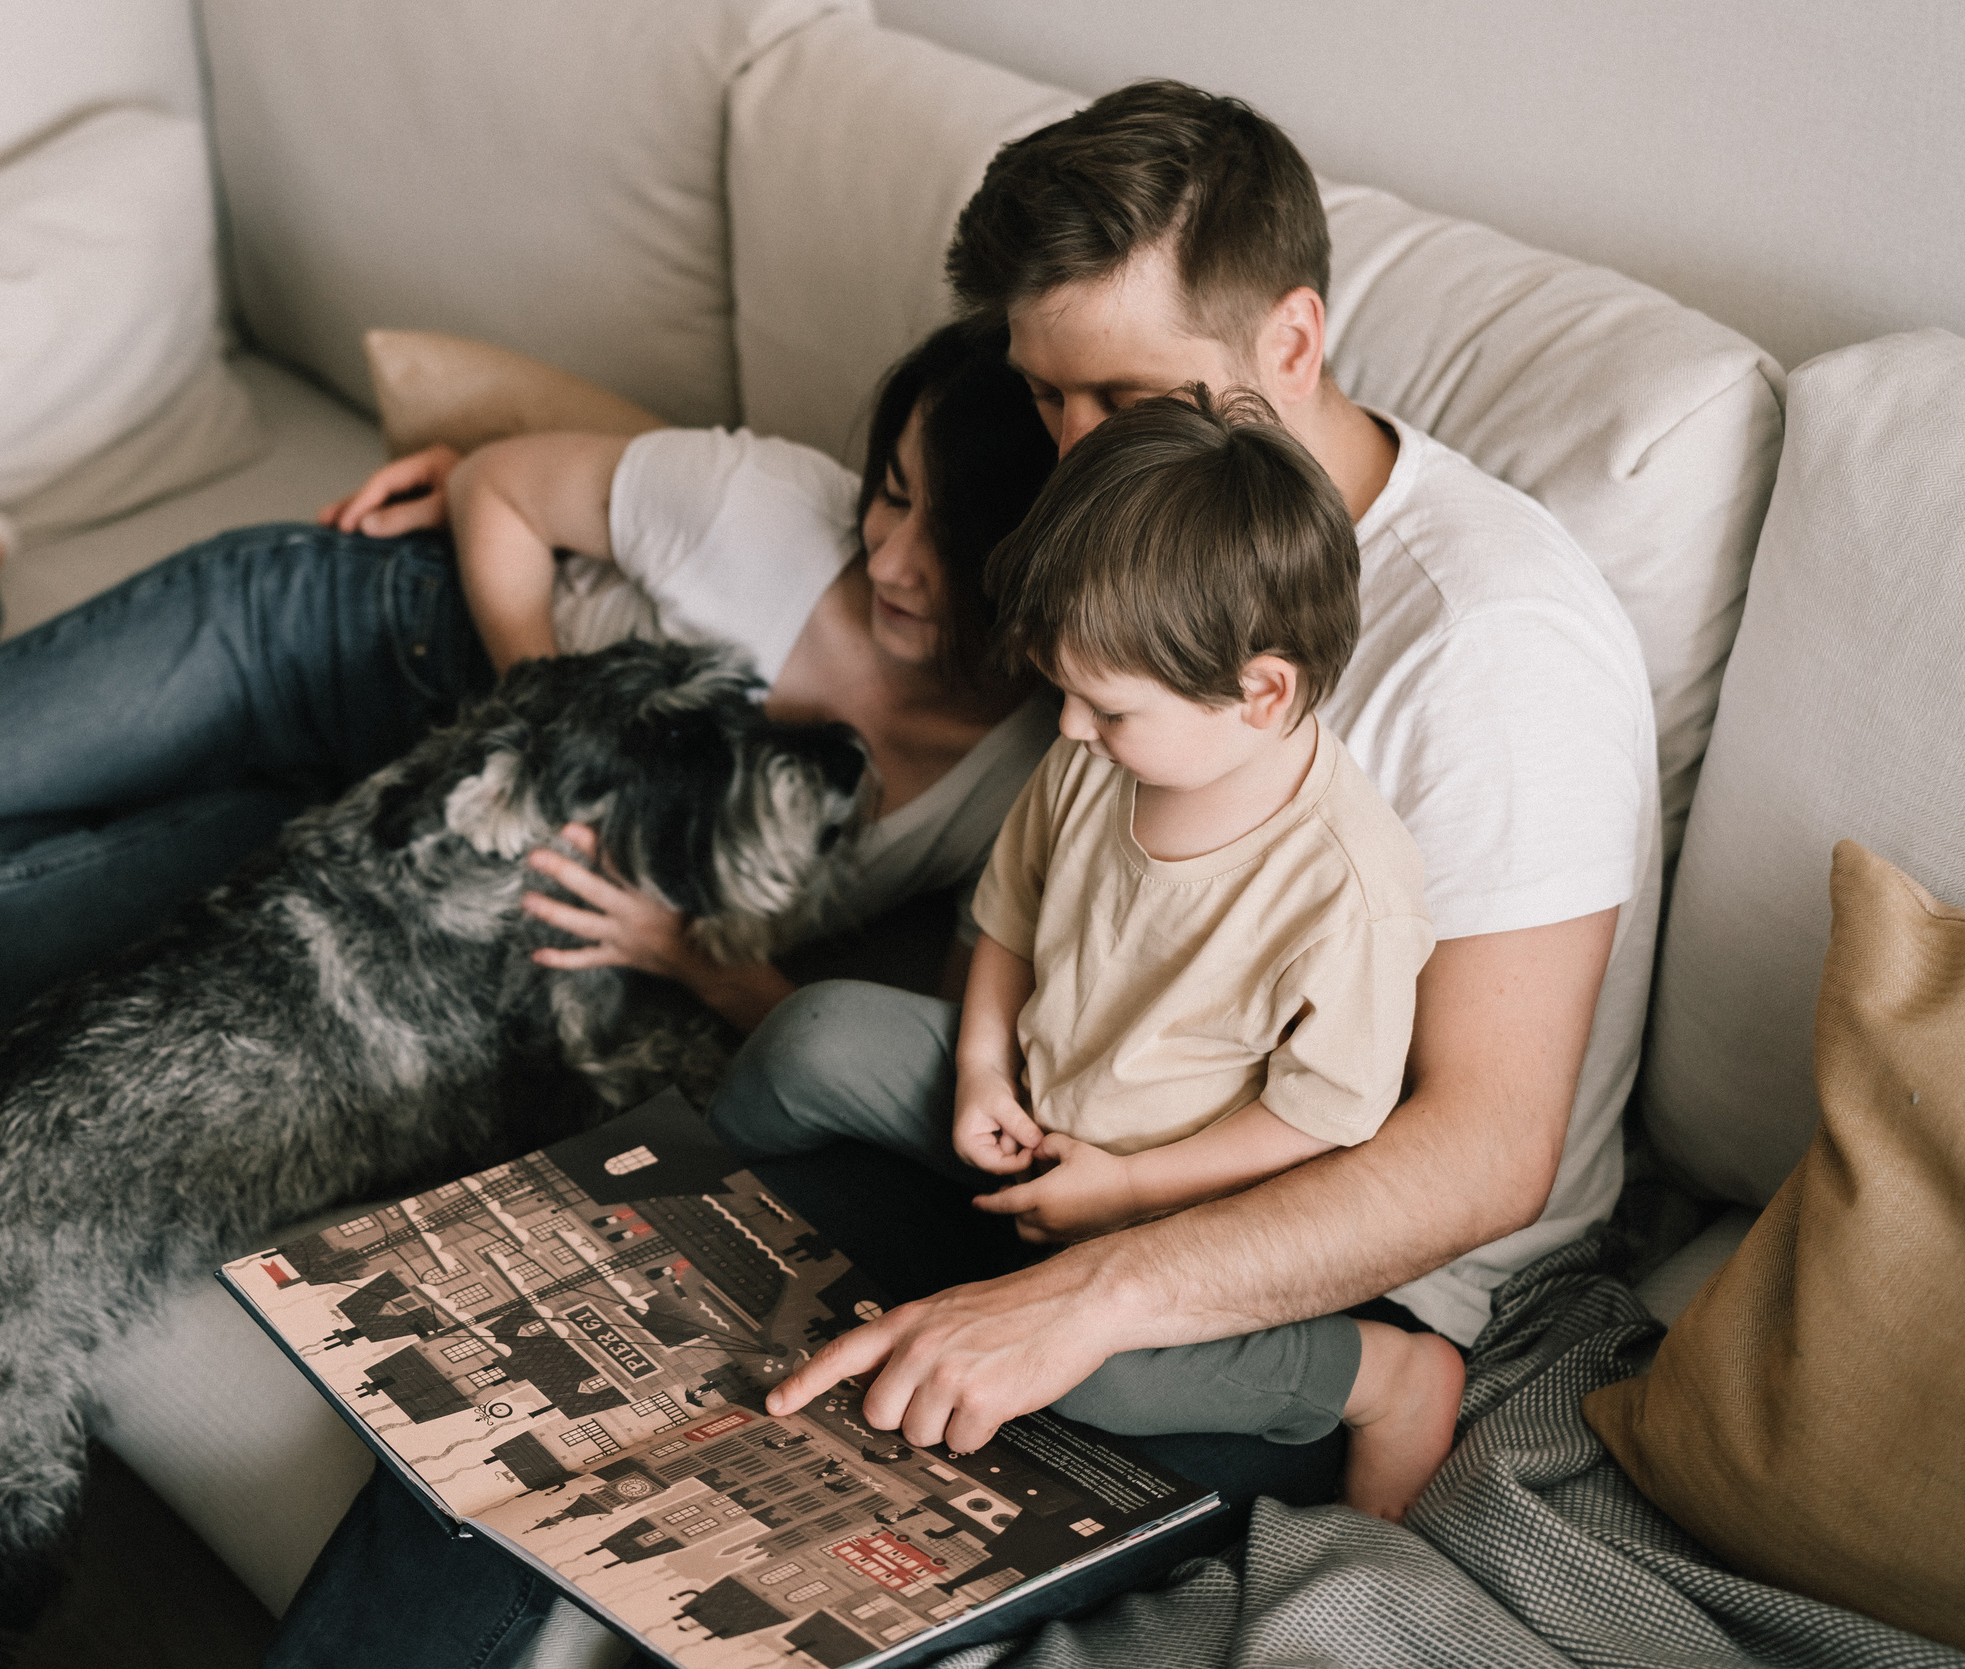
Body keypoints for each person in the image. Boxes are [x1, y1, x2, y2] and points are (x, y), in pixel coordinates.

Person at [265, 76, 1657, 1669]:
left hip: (1306, 1258)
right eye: (1045, 397)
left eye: (1118, 395)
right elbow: (1027, 882)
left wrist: (1097, 1294)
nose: (1066, 450)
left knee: (756, 1504)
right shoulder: (1110, 551)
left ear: (1291, 342)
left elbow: (1483, 1154)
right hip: (1053, 1123)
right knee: (527, 1387)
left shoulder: (1489, 644)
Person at [0, 321, 1059, 1036]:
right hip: (341, 642)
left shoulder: (1032, 777)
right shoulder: (766, 506)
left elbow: (929, 1045)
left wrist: (695, 961)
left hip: (397, 835)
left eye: (945, 540)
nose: (891, 556)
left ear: (1036, 568)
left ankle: (154, 776)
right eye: (889, 493)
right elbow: (494, 485)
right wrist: (557, 725)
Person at [711, 384, 1460, 1523]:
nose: (1066, 728)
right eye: (1065, 693)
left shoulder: (1346, 890)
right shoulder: (1091, 759)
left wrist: (1130, 1185)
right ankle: (675, 1192)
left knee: (1099, 1374)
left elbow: (1319, 1120)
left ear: (1260, 693)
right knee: (812, 1032)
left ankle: (1381, 1376)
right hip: (1034, 1110)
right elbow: (1008, 918)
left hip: (1178, 1207)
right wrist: (979, 1071)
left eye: (1105, 708)